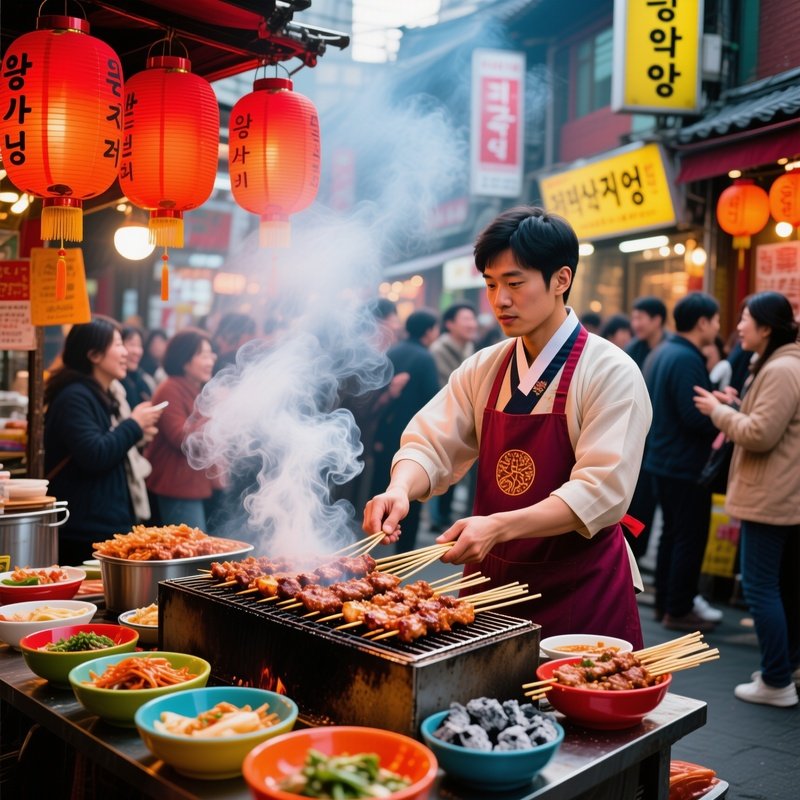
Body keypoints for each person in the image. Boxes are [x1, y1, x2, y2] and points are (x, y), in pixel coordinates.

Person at [363, 206, 651, 647]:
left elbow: (601, 492)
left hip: (580, 588)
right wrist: (400, 488)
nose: (500, 300)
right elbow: (432, 442)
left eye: (515, 283)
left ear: (561, 279)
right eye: (492, 284)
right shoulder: (486, 366)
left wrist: (498, 526)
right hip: (491, 585)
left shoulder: (610, 371)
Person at [694, 291, 800, 707]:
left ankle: (775, 682)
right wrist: (735, 405)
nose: (739, 326)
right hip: (782, 494)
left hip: (771, 497)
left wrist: (718, 413)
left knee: (760, 587)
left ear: (767, 327)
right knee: (786, 587)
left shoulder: (781, 368)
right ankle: (787, 667)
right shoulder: (780, 363)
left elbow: (759, 434)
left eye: (746, 318)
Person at [43, 318, 163, 564]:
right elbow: (94, 454)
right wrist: (134, 425)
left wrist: (136, 433)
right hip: (83, 530)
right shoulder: (75, 396)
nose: (126, 352)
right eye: (118, 345)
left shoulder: (103, 393)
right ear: (94, 355)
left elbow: (107, 444)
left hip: (102, 523)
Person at [643, 292, 721, 632]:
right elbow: (693, 417)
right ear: (702, 322)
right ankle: (679, 607)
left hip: (661, 460)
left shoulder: (664, 351)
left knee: (671, 536)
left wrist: (714, 401)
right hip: (684, 464)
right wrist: (724, 414)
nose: (718, 327)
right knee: (688, 537)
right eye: (716, 320)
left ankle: (665, 604)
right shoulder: (687, 358)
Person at [370, 309, 440, 552]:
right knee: (409, 494)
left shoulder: (393, 351)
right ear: (429, 331)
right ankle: (403, 546)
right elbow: (433, 400)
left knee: (383, 486)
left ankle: (375, 536)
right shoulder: (425, 358)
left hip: (386, 433)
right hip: (412, 436)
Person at [145, 328, 217, 530]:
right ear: (185, 361)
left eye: (211, 354)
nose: (210, 361)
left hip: (194, 486)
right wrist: (215, 414)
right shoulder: (170, 388)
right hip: (176, 487)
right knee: (190, 554)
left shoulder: (196, 389)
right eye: (203, 355)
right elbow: (181, 439)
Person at [429, 303, 480, 530]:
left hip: (465, 420)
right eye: (465, 319)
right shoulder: (439, 350)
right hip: (445, 419)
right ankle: (437, 518)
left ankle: (445, 516)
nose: (471, 324)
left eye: (472, 319)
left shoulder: (471, 349)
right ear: (449, 324)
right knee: (440, 467)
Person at [626, 296, 669, 370]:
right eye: (633, 319)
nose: (635, 324)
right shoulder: (633, 348)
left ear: (657, 320)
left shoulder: (671, 349)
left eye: (640, 318)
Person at [120, 325, 156, 410]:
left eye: (139, 345)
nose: (137, 351)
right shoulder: (113, 383)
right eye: (132, 344)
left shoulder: (142, 379)